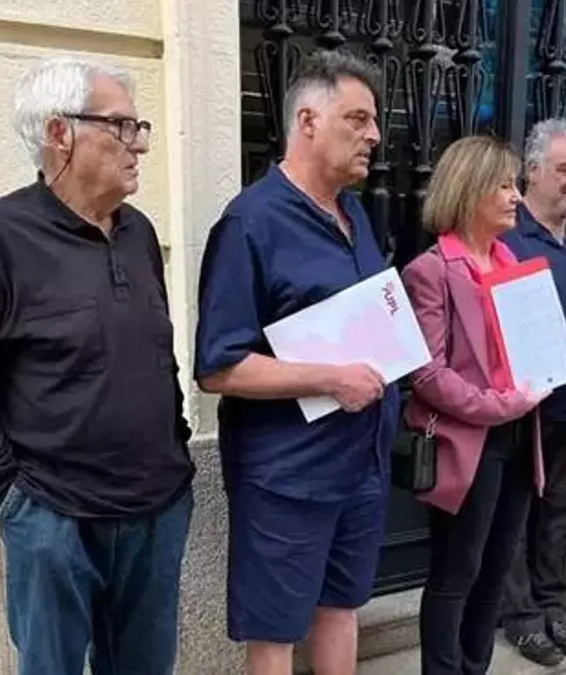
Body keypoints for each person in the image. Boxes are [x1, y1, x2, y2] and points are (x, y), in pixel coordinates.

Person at [0, 56, 196, 675]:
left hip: (156, 508)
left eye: (139, 128)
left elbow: (156, 358)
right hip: (53, 515)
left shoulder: (138, 235)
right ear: (59, 133)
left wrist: (177, 451)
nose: (139, 145)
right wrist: (13, 498)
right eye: (121, 126)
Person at [192, 50, 400, 675]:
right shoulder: (249, 223)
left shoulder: (353, 214)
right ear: (308, 120)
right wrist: (330, 378)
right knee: (276, 632)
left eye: (374, 120)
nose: (374, 135)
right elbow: (218, 367)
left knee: (342, 608)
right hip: (287, 476)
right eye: (358, 119)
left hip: (360, 463)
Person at [402, 134, 547, 675]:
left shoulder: (511, 260)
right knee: (456, 572)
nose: (517, 197)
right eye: (505, 186)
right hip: (467, 442)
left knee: (496, 570)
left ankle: (475, 667)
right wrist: (500, 405)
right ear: (470, 190)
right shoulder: (431, 270)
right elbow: (427, 373)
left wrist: (549, 349)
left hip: (519, 435)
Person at [498, 117, 566, 666]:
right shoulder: (506, 234)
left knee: (559, 510)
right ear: (532, 171)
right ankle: (520, 618)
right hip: (518, 405)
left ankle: (551, 604)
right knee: (515, 513)